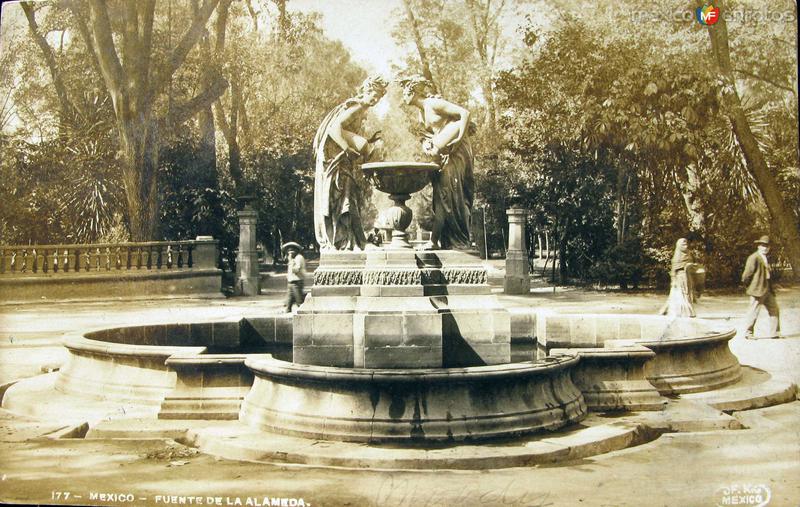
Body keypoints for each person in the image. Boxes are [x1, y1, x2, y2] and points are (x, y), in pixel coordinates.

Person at [398, 75, 474, 250]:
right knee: (442, 196)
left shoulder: (433, 104)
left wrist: (459, 138)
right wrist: (426, 143)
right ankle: (437, 240)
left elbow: (465, 113)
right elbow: (428, 135)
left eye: (404, 93)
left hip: (456, 152)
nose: (403, 97)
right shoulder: (421, 113)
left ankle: (457, 240)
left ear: (412, 91)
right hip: (442, 153)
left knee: (451, 194)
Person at [313, 75, 387, 251]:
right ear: (366, 90)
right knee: (347, 200)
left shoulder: (360, 108)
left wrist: (365, 141)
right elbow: (334, 128)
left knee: (348, 200)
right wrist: (347, 148)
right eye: (374, 95)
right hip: (337, 163)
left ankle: (353, 241)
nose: (375, 100)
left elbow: (344, 131)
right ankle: (354, 242)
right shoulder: (359, 106)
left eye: (379, 97)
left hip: (341, 162)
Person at [741, 235, 781, 339]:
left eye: (767, 246)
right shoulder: (754, 257)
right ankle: (748, 333)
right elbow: (746, 275)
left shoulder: (765, 257)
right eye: (763, 245)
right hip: (757, 289)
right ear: (758, 246)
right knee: (753, 312)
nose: (765, 248)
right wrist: (749, 286)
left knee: (774, 309)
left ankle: (775, 333)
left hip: (767, 288)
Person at [659, 238, 696, 317]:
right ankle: (680, 312)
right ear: (679, 246)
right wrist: (673, 281)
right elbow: (673, 270)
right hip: (679, 278)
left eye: (686, 244)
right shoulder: (677, 257)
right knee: (679, 294)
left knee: (687, 295)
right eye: (683, 245)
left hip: (687, 277)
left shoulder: (688, 254)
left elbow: (691, 265)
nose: (685, 246)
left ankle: (688, 312)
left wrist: (691, 266)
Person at [283, 242, 306, 313]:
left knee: (299, 300)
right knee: (288, 301)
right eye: (289, 251)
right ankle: (287, 309)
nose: (290, 253)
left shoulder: (299, 258)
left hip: (297, 282)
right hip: (291, 282)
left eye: (292, 251)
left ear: (296, 250)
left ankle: (304, 313)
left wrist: (291, 262)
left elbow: (296, 270)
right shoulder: (293, 259)